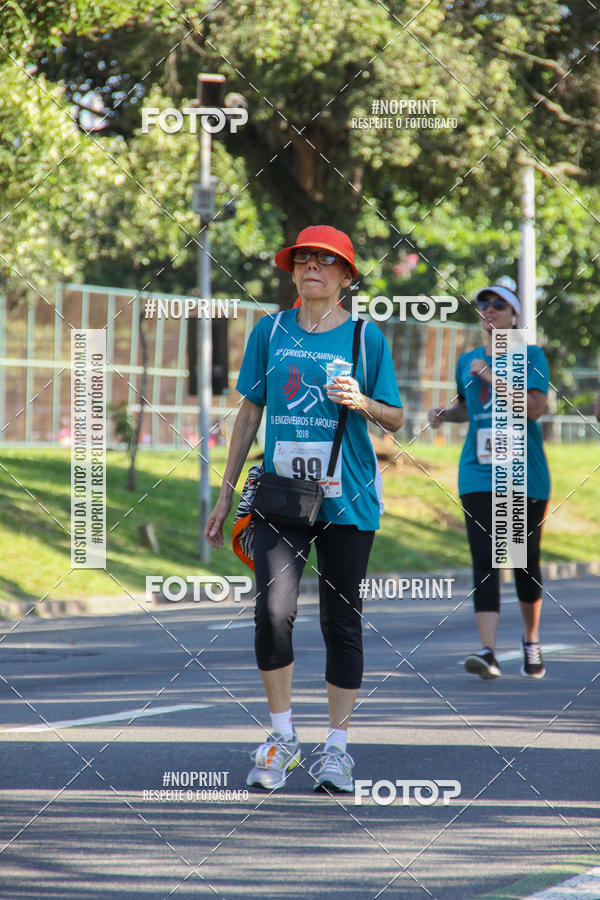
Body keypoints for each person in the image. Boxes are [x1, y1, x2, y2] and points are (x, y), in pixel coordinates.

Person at [205, 225, 403, 792]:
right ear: (292, 273)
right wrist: (224, 496)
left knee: (340, 622)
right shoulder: (269, 331)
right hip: (280, 496)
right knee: (272, 612)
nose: (312, 267)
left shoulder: (367, 339)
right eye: (303, 260)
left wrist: (361, 401)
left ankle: (337, 748)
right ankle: (283, 737)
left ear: (345, 276)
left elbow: (396, 417)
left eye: (325, 260)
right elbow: (249, 414)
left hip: (348, 499)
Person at [428, 285, 550, 680]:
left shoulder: (529, 355)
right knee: (485, 556)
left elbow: (534, 409)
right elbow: (467, 407)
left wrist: (493, 376)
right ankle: (488, 652)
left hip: (520, 472)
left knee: (521, 559)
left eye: (500, 304)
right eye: (484, 303)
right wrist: (445, 413)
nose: (490, 310)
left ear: (515, 316)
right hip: (477, 470)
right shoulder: (468, 360)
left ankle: (531, 641)